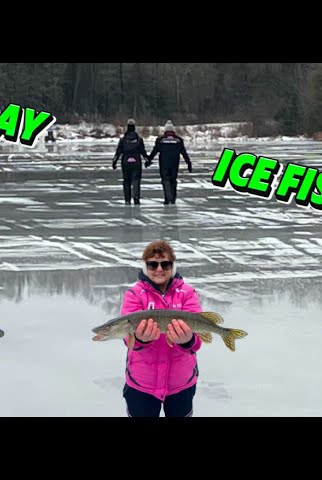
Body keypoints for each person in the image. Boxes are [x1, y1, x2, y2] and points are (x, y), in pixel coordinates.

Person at [118, 240, 203, 416]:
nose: (159, 269)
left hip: (181, 382)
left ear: (172, 266)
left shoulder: (187, 293)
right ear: (145, 266)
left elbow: (197, 341)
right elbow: (128, 340)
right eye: (152, 264)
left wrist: (188, 340)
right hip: (142, 383)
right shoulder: (134, 294)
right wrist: (140, 338)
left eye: (165, 264)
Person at [147, 120, 192, 205]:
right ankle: (173, 198)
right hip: (174, 163)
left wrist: (149, 160)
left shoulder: (160, 140)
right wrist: (188, 163)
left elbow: (155, 151)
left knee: (165, 180)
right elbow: (183, 152)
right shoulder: (178, 140)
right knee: (173, 180)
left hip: (164, 163)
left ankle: (168, 197)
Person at [112, 118, 150, 205]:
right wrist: (147, 160)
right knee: (136, 180)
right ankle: (136, 196)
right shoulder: (139, 140)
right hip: (136, 161)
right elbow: (143, 152)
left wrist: (114, 162)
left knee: (126, 181)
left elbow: (118, 152)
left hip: (126, 162)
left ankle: (127, 199)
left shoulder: (123, 140)